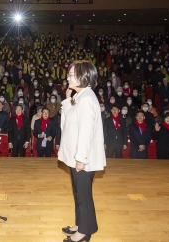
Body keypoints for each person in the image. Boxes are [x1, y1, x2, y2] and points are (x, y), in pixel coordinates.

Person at [59, 60, 106, 242]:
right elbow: (67, 123)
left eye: (71, 75)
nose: (68, 77)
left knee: (83, 195)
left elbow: (86, 132)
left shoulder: (86, 99)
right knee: (79, 193)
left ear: (82, 76)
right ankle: (81, 223)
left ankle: (84, 232)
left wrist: (81, 158)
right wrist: (67, 98)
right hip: (76, 155)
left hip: (82, 158)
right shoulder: (80, 96)